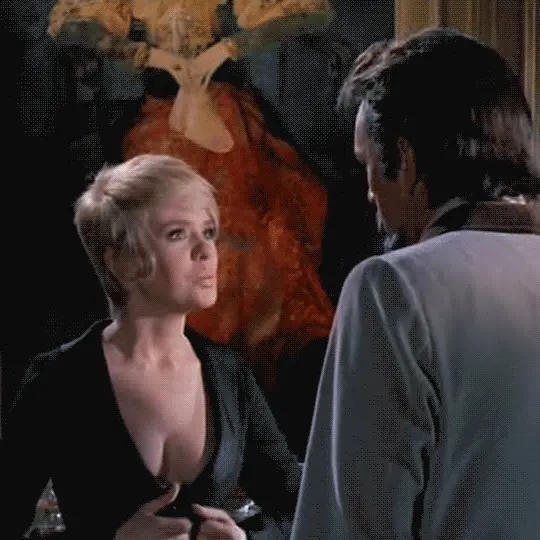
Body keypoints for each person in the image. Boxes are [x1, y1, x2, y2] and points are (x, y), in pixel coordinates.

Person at [291, 27, 540, 540]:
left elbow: (350, 526)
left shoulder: (393, 289)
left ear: (404, 161)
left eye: (368, 165)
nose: (369, 194)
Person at [2, 154, 302, 539]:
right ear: (122, 262)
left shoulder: (230, 374)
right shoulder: (57, 380)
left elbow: (302, 505)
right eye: (177, 234)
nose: (206, 250)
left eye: (208, 232)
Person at [45, 0, 336, 397]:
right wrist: (145, 54)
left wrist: (227, 49)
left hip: (223, 105)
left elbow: (311, 13)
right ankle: (181, 356)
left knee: (245, 207)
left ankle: (246, 358)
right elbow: (71, 25)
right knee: (160, 208)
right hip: (161, 111)